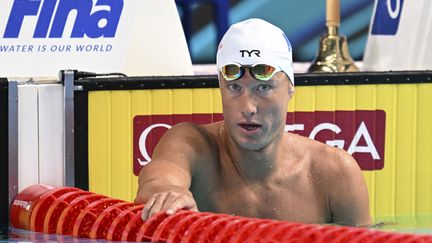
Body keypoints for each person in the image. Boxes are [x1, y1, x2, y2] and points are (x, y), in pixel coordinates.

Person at [134, 18, 371, 226]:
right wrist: (169, 195)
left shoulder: (334, 173)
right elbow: (157, 182)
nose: (248, 108)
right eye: (234, 87)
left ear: (290, 88)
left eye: (264, 88)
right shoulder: (191, 147)